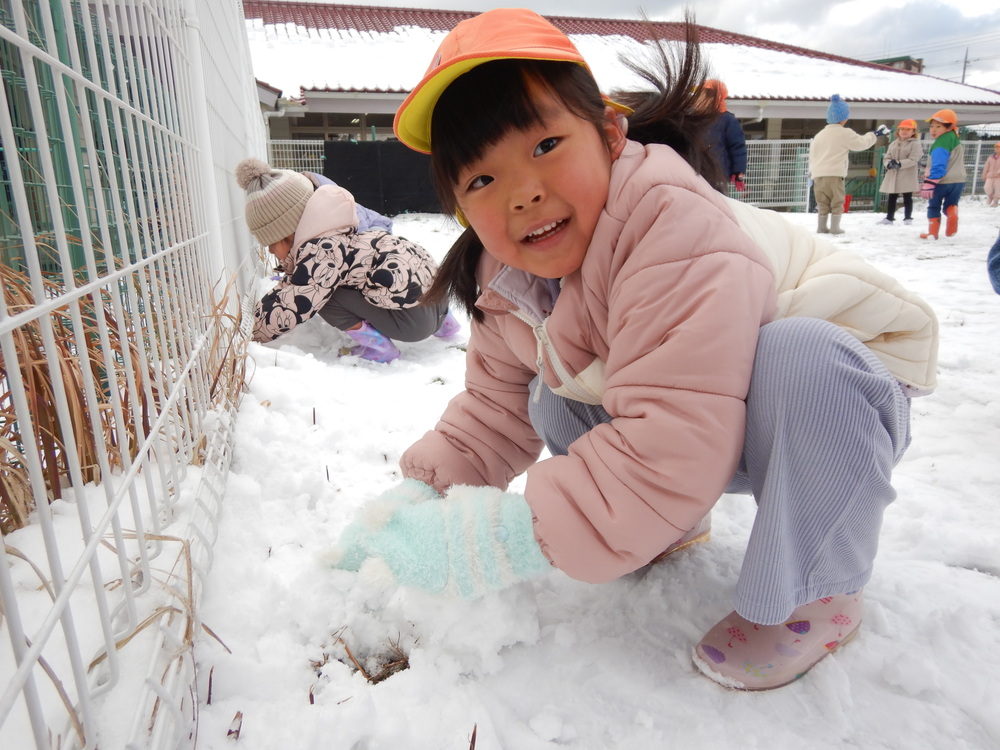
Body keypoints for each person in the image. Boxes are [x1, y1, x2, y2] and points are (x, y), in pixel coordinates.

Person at [330, 9, 939, 691]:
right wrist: (418, 497)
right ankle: (665, 522)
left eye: (545, 146)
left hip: (842, 388)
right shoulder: (506, 282)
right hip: (716, 398)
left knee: (799, 360)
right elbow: (493, 411)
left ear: (611, 137)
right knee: (546, 389)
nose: (524, 193)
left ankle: (816, 589)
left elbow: (674, 430)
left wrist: (497, 539)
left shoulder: (666, 221)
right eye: (481, 180)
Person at [235, 158, 460, 363]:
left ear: (286, 232)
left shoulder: (321, 249)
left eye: (272, 243)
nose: (272, 251)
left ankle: (381, 349)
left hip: (415, 325)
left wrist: (250, 331)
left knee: (326, 297)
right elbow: (295, 283)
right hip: (438, 300)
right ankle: (446, 326)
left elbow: (295, 301)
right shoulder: (342, 227)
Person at [808, 94, 890, 234]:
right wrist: (874, 135)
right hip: (834, 174)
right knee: (837, 201)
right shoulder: (844, 133)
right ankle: (835, 227)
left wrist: (811, 173)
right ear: (844, 118)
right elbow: (861, 143)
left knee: (822, 202)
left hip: (818, 175)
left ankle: (821, 227)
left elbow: (813, 155)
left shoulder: (820, 135)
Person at [919, 109, 966, 240]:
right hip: (958, 181)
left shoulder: (941, 142)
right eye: (932, 126)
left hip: (941, 182)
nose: (933, 130)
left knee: (934, 206)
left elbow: (939, 165)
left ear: (949, 126)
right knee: (951, 205)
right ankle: (952, 214)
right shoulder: (954, 138)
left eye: (938, 126)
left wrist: (930, 182)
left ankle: (932, 233)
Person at [700, 79, 747, 193]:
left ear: (713, 98)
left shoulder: (728, 120)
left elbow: (738, 148)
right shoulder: (697, 119)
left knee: (717, 205)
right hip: (698, 174)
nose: (698, 99)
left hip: (718, 175)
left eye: (702, 95)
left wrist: (738, 172)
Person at [876, 119, 922, 225]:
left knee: (907, 196)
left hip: (907, 174)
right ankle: (889, 218)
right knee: (892, 196)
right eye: (902, 129)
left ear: (913, 132)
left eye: (908, 129)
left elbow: (914, 159)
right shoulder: (893, 144)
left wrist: (900, 163)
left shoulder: (915, 144)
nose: (904, 131)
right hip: (893, 174)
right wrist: (888, 164)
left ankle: (908, 218)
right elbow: (887, 157)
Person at [982, 142, 1000, 208]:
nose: (997, 149)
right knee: (987, 187)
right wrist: (984, 175)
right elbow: (986, 167)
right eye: (996, 147)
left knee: (998, 189)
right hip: (990, 176)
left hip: (998, 177)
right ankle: (990, 197)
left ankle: (995, 201)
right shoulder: (990, 157)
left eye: (998, 147)